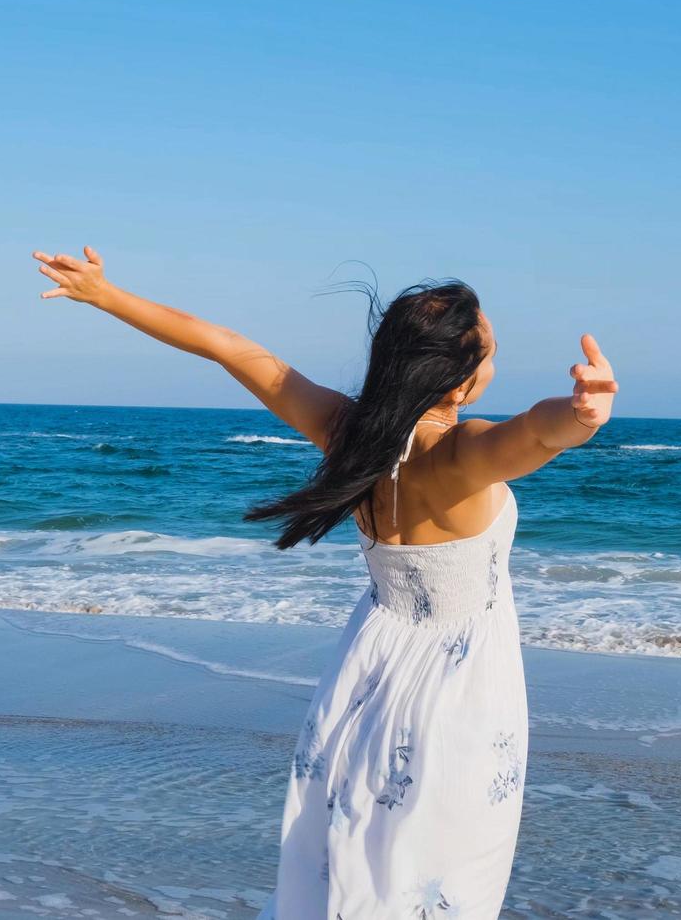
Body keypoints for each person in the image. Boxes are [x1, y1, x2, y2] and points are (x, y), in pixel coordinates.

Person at [32, 247, 618, 918]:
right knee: (443, 878)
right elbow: (537, 435)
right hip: (456, 696)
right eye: (489, 352)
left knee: (351, 862)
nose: (493, 363)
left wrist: (106, 295)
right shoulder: (463, 454)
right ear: (458, 380)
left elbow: (228, 347)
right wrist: (583, 417)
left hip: (364, 675)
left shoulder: (346, 433)